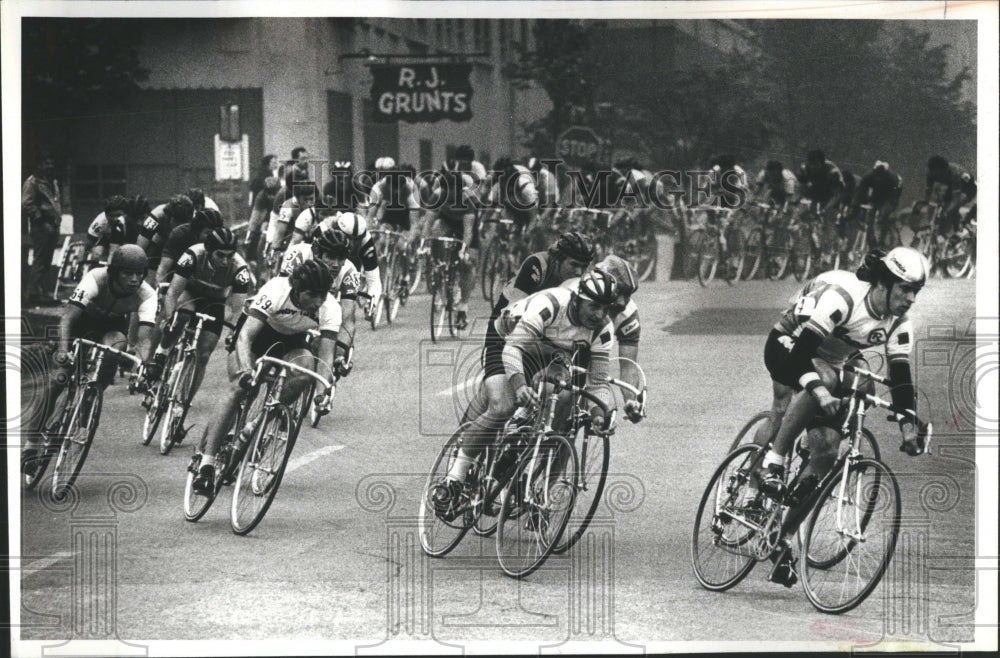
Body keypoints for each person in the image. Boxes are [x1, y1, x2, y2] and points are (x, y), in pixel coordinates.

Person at [754, 247, 932, 585]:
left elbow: (900, 376)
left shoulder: (899, 323)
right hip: (789, 344)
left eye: (915, 292)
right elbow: (803, 354)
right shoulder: (845, 297)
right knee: (789, 405)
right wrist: (819, 392)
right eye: (905, 289)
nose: (910, 298)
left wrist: (909, 426)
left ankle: (783, 539)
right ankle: (771, 463)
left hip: (833, 358)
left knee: (825, 450)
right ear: (884, 283)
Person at [432, 270, 620, 515]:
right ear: (577, 299)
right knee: (503, 406)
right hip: (509, 340)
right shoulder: (550, 306)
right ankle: (454, 479)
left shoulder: (603, 330)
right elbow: (513, 350)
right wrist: (520, 384)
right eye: (593, 306)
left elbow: (597, 382)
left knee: (563, 400)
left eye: (606, 309)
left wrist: (600, 412)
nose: (599, 314)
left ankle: (519, 456)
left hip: (550, 353)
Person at [192, 259, 341, 494]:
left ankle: (262, 419)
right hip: (258, 335)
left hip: (292, 341)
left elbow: (326, 355)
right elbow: (245, 337)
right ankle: (207, 464)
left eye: (323, 295)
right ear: (297, 289)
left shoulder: (329, 308)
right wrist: (246, 371)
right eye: (312, 295)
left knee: (306, 370)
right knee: (239, 389)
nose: (318, 301)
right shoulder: (275, 290)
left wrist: (322, 394)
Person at [21, 245, 157, 472]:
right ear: (115, 272)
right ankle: (31, 444)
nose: (134, 279)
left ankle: (89, 401)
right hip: (82, 323)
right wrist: (64, 351)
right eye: (127, 273)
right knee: (59, 379)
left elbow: (144, 337)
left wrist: (142, 364)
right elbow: (67, 319)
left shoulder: (147, 294)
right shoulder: (96, 278)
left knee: (115, 347)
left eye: (139, 274)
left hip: (112, 327)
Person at [462, 232, 596, 424]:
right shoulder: (538, 265)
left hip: (541, 332)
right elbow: (513, 311)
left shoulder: (582, 284)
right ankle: (459, 444)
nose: (578, 272)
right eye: (573, 265)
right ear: (557, 259)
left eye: (583, 267)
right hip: (507, 326)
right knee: (500, 399)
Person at [145, 228, 251, 413]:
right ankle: (162, 353)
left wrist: (234, 333)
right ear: (209, 250)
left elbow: (238, 310)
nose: (225, 261)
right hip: (190, 293)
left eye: (230, 255)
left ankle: (182, 404)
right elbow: (173, 293)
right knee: (182, 315)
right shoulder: (193, 255)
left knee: (204, 354)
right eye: (220, 255)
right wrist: (170, 317)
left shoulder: (240, 269)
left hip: (214, 302)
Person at [561, 254, 645, 423]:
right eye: (619, 292)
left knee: (595, 403)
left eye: (628, 294)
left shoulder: (628, 314)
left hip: (593, 348)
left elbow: (628, 365)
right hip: (562, 340)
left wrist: (630, 399)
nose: (622, 302)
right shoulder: (574, 295)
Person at [279, 225, 360, 377]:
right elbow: (280, 293)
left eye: (341, 258)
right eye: (330, 256)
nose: (336, 264)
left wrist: (340, 352)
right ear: (317, 253)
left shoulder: (349, 271)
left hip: (324, 312)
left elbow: (348, 320)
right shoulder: (298, 254)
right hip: (292, 309)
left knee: (327, 355)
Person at [423, 157, 482, 330]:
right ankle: (440, 270)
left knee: (467, 263)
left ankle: (463, 305)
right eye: (447, 191)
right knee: (437, 230)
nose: (450, 195)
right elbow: (428, 224)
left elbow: (469, 231)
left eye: (454, 192)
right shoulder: (438, 195)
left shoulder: (468, 198)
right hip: (447, 221)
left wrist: (464, 250)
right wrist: (426, 245)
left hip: (465, 225)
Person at [22, 153, 62, 306]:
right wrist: (41, 219)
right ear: (39, 165)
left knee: (47, 260)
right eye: (46, 163)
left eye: (51, 163)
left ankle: (41, 292)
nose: (50, 166)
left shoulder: (52, 181)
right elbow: (26, 204)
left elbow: (54, 201)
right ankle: (32, 293)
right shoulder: (33, 182)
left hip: (53, 225)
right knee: (40, 259)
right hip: (41, 226)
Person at [851, 161, 903, 248]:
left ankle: (882, 240)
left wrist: (888, 208)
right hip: (876, 195)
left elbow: (895, 197)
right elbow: (860, 192)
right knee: (869, 215)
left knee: (884, 215)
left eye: (881, 177)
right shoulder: (868, 177)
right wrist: (856, 205)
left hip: (890, 195)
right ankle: (871, 238)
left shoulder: (892, 178)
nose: (879, 179)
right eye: (877, 177)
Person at [924, 155, 976, 236]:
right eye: (935, 173)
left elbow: (956, 199)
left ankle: (959, 228)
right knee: (937, 206)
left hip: (967, 188)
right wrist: (931, 212)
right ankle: (941, 232)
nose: (937, 175)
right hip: (950, 186)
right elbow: (929, 194)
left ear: (944, 169)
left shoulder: (954, 173)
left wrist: (946, 211)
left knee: (950, 209)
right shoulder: (931, 174)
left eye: (939, 173)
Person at [795, 149, 845, 217]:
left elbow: (837, 194)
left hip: (834, 191)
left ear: (822, 163)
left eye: (815, 164)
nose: (813, 167)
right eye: (811, 164)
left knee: (829, 214)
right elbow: (800, 188)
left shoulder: (832, 172)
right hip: (817, 187)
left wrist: (825, 209)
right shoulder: (805, 168)